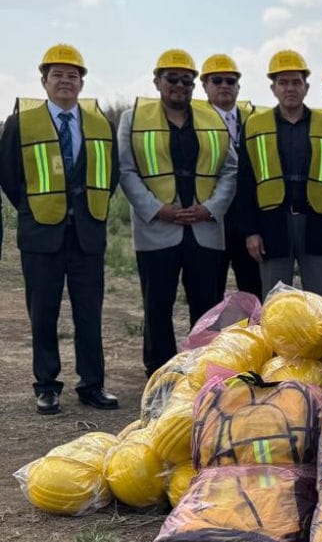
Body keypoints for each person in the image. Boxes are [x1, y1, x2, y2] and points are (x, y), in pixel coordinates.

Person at [0, 44, 120, 415]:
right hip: (41, 234)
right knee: (43, 311)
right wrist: (36, 208)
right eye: (58, 75)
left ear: (82, 83)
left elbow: (110, 175)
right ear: (44, 81)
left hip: (87, 233)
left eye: (73, 75)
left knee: (89, 313)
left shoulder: (100, 123)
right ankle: (47, 385)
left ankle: (92, 384)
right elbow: (8, 175)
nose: (66, 81)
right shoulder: (22, 122)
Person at [118, 49, 238, 377]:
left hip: (204, 230)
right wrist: (158, 210)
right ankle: (160, 373)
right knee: (157, 307)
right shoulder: (133, 118)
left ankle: (203, 371)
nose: (179, 86)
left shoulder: (211, 117)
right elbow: (126, 171)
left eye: (187, 81)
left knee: (207, 308)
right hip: (158, 230)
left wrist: (210, 209)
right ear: (157, 81)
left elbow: (230, 170)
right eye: (172, 79)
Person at [235, 49, 322, 299]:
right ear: (273, 88)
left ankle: (319, 340)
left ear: (306, 87)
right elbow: (245, 182)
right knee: (275, 301)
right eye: (283, 83)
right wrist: (251, 232)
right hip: (271, 225)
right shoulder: (255, 125)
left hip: (317, 223)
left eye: (296, 82)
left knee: (320, 300)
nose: (290, 88)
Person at [201, 52, 261, 297]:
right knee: (209, 291)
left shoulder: (256, 121)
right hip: (210, 219)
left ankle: (252, 336)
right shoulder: (195, 120)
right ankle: (214, 337)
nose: (224, 86)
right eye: (217, 80)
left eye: (230, 81)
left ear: (238, 87)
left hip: (249, 219)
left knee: (254, 291)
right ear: (204, 85)